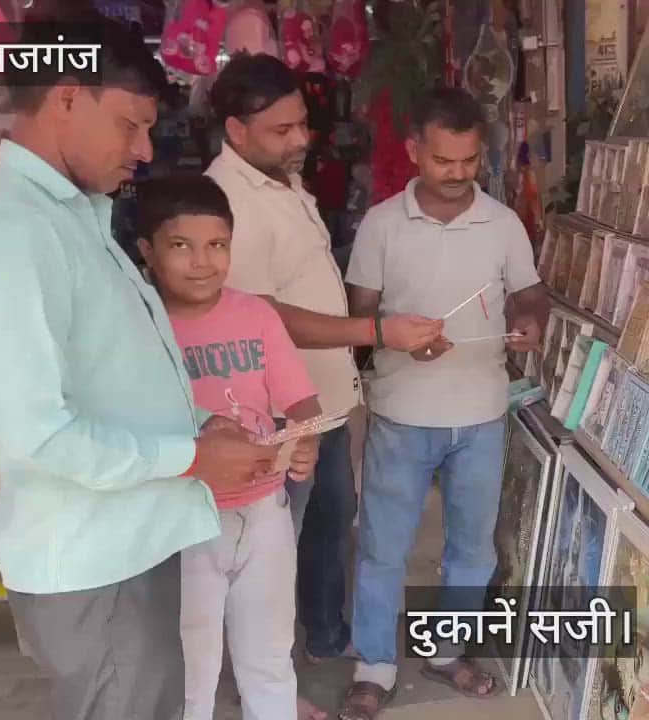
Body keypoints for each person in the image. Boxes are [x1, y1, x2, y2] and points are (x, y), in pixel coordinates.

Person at [0, 17, 312, 720]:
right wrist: (191, 457)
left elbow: (109, 372)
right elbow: (35, 436)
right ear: (68, 99)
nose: (143, 151)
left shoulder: (75, 215)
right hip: (93, 559)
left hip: (128, 538)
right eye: (129, 125)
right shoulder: (11, 237)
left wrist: (202, 425)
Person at [204, 53, 444, 672]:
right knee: (278, 539)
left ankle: (324, 636)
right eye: (281, 130)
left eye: (301, 124)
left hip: (323, 398)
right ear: (236, 131)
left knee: (328, 525)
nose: (300, 139)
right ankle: (271, 670)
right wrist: (373, 330)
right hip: (278, 411)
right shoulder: (231, 199)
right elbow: (260, 315)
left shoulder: (281, 178)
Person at [340, 87, 548, 720]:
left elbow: (530, 294)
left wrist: (528, 322)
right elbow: (359, 317)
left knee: (473, 548)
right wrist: (398, 339)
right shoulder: (381, 223)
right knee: (382, 545)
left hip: (482, 412)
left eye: (469, 161)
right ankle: (373, 665)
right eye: (442, 161)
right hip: (403, 412)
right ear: (413, 153)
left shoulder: (503, 222)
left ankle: (445, 649)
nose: (458, 175)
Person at [136, 175, 328, 720]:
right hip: (182, 519)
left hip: (266, 512)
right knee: (191, 671)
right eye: (181, 246)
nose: (202, 261)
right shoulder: (141, 327)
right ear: (148, 251)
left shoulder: (256, 315)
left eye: (217, 245)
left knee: (269, 657)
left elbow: (301, 402)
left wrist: (305, 436)